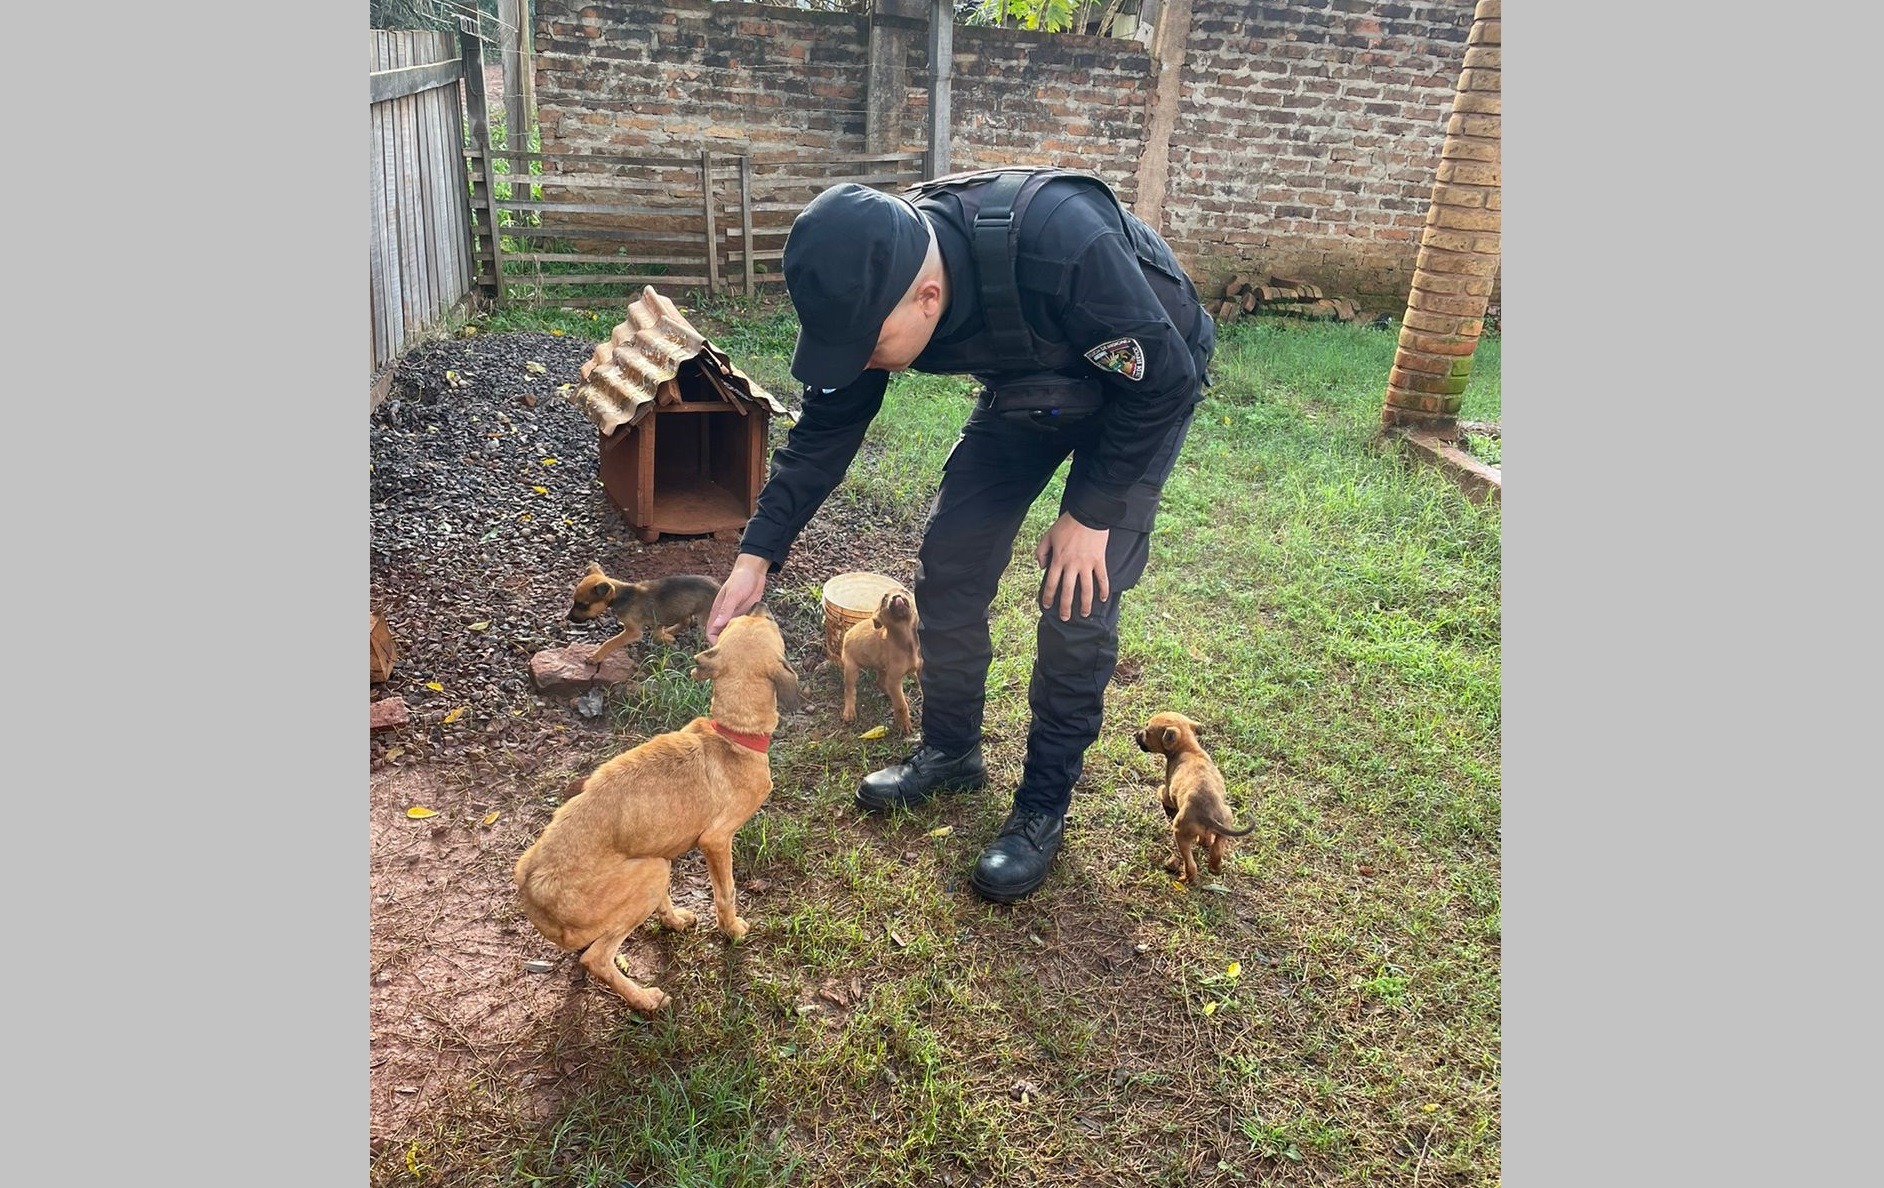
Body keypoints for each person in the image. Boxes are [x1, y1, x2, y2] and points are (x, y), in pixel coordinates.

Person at [704, 166, 1215, 903]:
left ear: (928, 297)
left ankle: (1042, 807)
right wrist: (757, 554)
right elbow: (822, 434)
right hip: (1033, 384)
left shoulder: (1060, 243)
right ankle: (951, 751)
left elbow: (1165, 379)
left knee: (1077, 595)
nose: (859, 361)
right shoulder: (875, 277)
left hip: (1144, 388)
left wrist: (1092, 513)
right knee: (950, 562)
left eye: (866, 345)